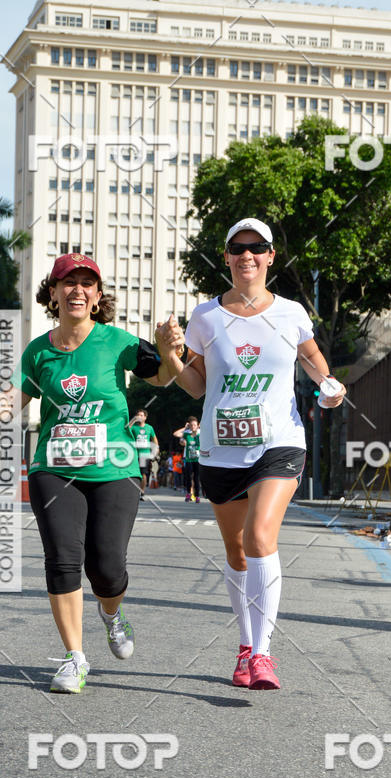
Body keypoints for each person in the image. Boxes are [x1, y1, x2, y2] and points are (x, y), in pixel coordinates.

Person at [0, 253, 182, 694]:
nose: (77, 289)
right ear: (53, 294)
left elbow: (164, 379)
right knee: (62, 559)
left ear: (97, 296)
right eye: (68, 282)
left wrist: (171, 353)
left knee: (108, 568)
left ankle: (112, 614)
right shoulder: (38, 350)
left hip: (115, 468)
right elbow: (12, 403)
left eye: (86, 283)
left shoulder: (119, 342)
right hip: (53, 469)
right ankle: (75, 658)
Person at [155, 218, 345, 690]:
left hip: (279, 442)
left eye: (257, 248)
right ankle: (246, 645)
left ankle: (262, 654)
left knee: (261, 535)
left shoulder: (291, 313)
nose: (247, 256)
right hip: (221, 449)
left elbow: (312, 358)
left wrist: (329, 385)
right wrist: (172, 355)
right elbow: (198, 385)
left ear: (270, 257)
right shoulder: (205, 317)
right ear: (226, 258)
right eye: (238, 249)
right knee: (237, 551)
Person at [130, 407, 159, 500]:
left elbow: (155, 440)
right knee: (134, 473)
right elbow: (125, 430)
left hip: (145, 454)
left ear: (145, 417)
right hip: (134, 454)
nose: (139, 416)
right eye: (138, 415)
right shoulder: (133, 427)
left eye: (141, 415)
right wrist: (133, 421)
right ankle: (134, 491)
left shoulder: (149, 428)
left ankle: (142, 492)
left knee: (143, 474)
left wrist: (155, 451)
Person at [173, 416, 201, 502]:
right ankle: (189, 494)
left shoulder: (201, 433)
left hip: (198, 459)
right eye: (191, 425)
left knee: (196, 478)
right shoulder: (187, 434)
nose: (193, 427)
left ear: (198, 425)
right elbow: (175, 434)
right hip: (188, 459)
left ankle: (197, 496)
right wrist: (185, 427)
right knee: (188, 477)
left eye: (194, 425)